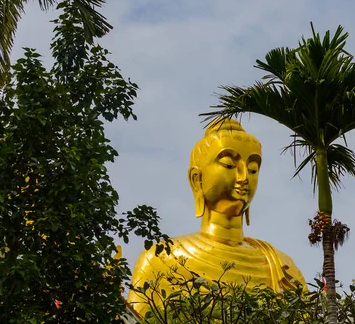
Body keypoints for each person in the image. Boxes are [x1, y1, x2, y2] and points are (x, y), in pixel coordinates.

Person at [127, 119, 305, 316]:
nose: (244, 177)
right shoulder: (161, 259)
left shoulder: (283, 267)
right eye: (229, 165)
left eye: (253, 169)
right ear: (197, 179)